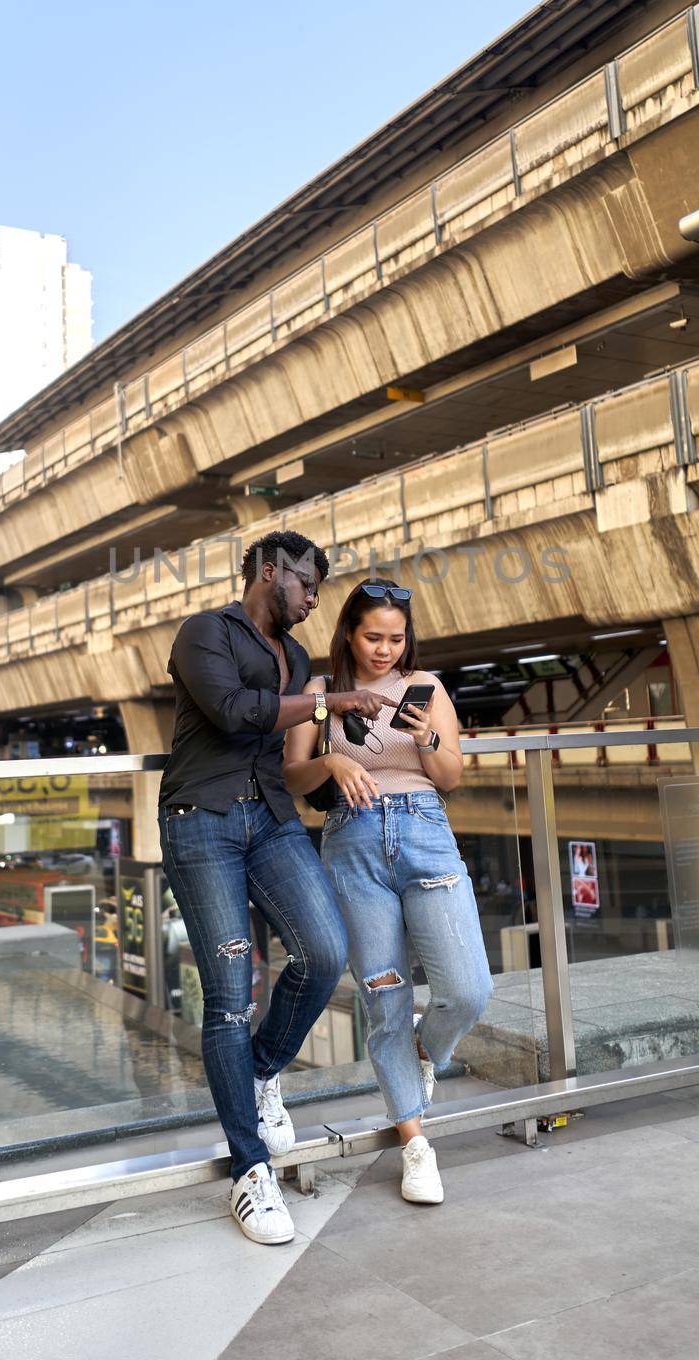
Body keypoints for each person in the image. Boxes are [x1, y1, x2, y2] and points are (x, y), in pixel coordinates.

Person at [157, 531, 395, 1245]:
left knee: (324, 952)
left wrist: (334, 750)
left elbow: (285, 746)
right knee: (230, 997)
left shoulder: (293, 658)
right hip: (201, 821)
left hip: (272, 820)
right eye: (308, 584)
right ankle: (248, 1171)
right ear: (270, 572)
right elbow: (234, 714)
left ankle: (260, 1073)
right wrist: (328, 703)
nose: (314, 598)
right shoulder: (204, 632)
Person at [285, 579, 493, 1207]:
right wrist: (334, 762)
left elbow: (452, 775)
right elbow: (295, 775)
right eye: (373, 637)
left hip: (426, 832)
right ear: (348, 632)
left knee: (468, 988)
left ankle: (427, 1049)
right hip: (353, 844)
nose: (384, 650)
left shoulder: (427, 687)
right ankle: (415, 1144)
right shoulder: (320, 695)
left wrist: (429, 739)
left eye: (396, 638)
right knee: (384, 997)